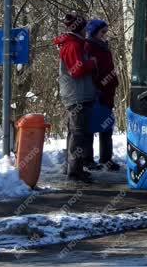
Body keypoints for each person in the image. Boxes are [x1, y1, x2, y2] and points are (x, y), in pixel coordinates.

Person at [53, 12, 97, 183]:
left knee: (77, 132)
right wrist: (92, 63)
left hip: (79, 94)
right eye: (84, 27)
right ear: (79, 28)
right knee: (78, 134)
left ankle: (74, 168)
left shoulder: (76, 44)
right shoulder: (72, 45)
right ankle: (74, 172)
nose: (87, 30)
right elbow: (76, 70)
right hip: (76, 95)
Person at [85, 19, 121, 171]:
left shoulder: (103, 46)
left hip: (107, 93)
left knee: (107, 127)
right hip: (97, 92)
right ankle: (87, 159)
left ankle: (106, 158)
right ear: (94, 32)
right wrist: (98, 87)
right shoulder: (89, 46)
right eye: (103, 32)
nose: (105, 35)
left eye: (106, 32)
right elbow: (91, 70)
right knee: (91, 127)